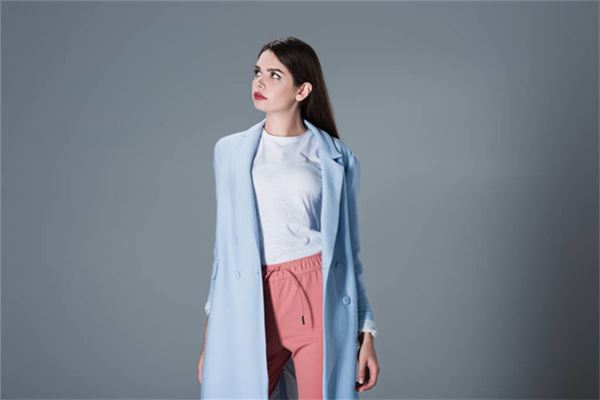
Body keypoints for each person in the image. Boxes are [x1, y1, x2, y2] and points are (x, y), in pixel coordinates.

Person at [198, 36, 380, 399]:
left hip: (317, 291)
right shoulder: (230, 152)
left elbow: (350, 251)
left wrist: (367, 332)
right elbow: (224, 251)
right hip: (251, 293)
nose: (260, 82)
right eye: (257, 72)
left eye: (275, 75)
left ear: (302, 90)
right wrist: (211, 334)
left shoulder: (337, 157)